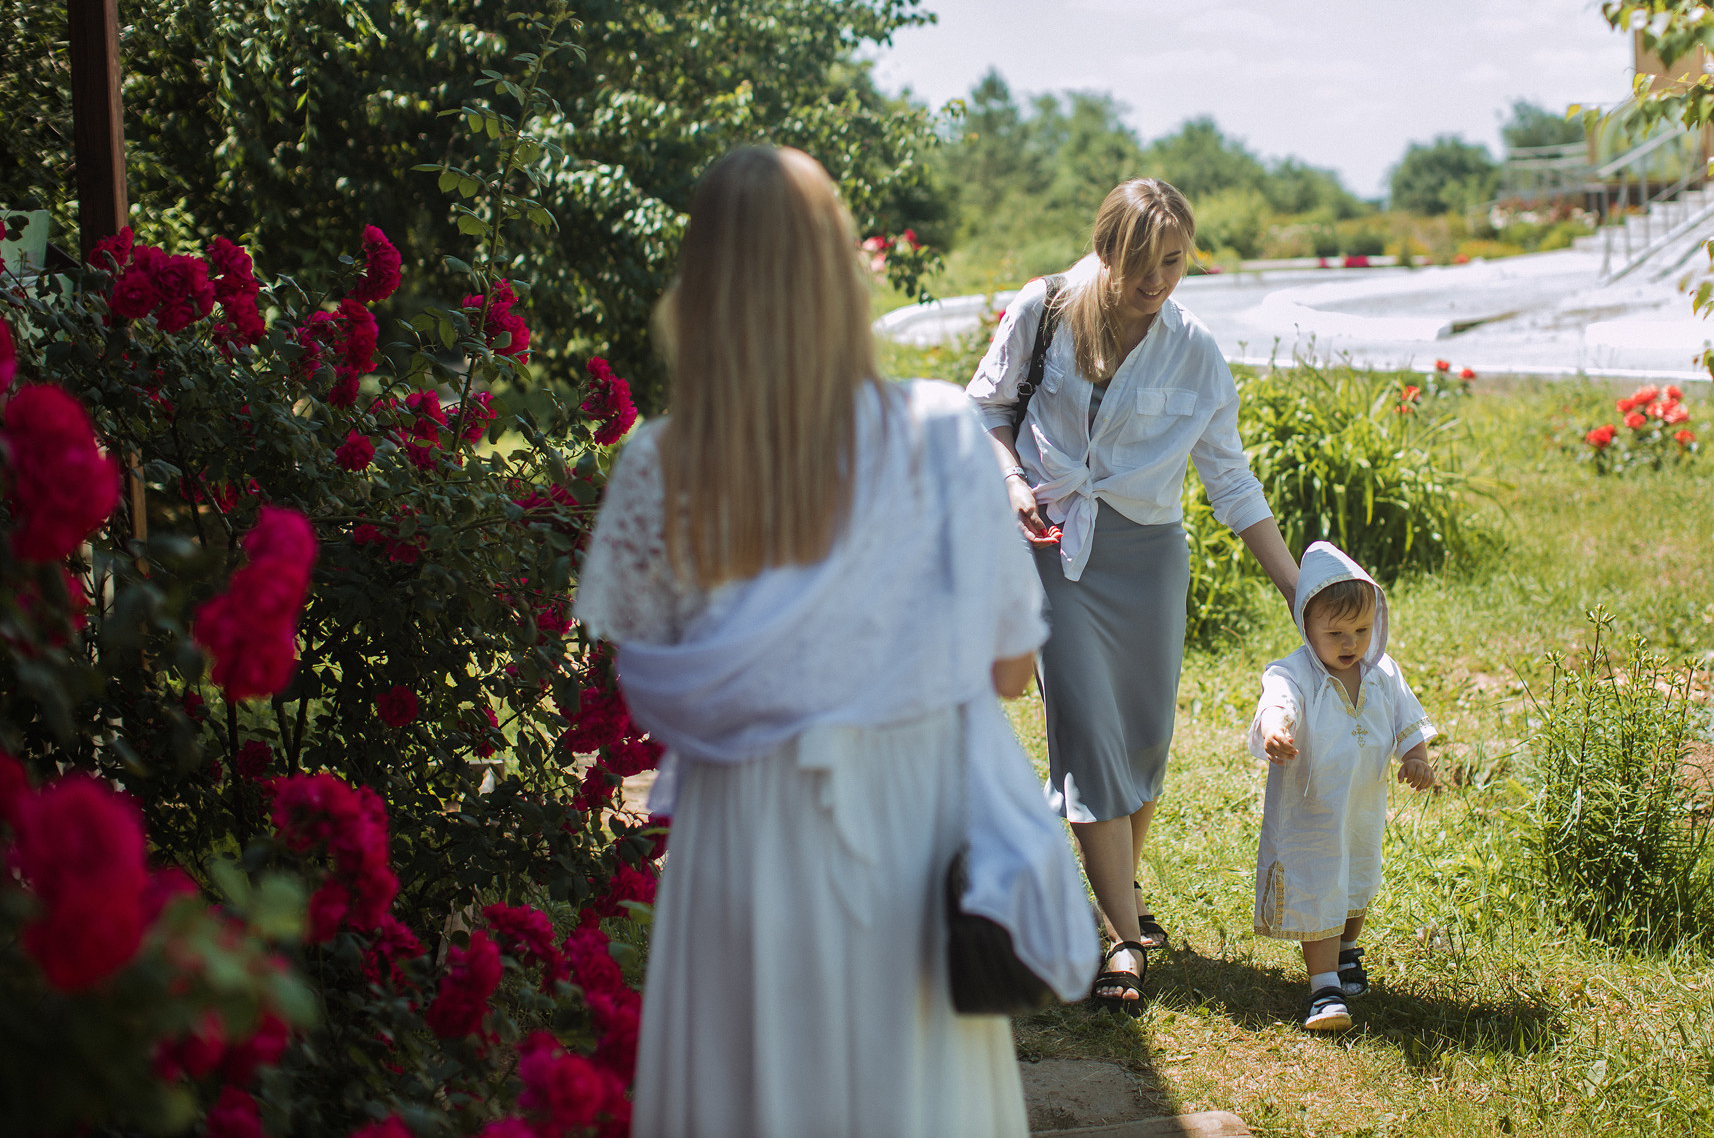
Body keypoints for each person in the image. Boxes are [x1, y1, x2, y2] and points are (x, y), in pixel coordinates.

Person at [573, 145, 1048, 1137]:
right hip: (907, 832)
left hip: (742, 834)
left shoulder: (660, 463)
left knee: (754, 1093)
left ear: (701, 284)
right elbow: (1008, 668)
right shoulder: (942, 436)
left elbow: (647, 677)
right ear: (844, 270)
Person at [968, 178, 1299, 1016]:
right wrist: (1011, 481)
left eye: (1174, 262)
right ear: (1105, 250)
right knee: (1085, 734)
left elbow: (1229, 479)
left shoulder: (1193, 349)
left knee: (1144, 738)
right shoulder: (1044, 308)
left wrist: (1298, 586)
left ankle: (1115, 894)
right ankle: (1120, 935)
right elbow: (988, 408)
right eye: (1139, 263)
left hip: (1149, 556)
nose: (1156, 282)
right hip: (1052, 546)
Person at [1248, 541, 1436, 1034]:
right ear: (1306, 627)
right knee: (1319, 879)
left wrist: (1415, 756)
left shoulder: (1382, 673)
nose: (1350, 642)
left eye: (1361, 630)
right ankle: (1323, 987)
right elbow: (1278, 701)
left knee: (1357, 875)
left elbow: (1406, 721)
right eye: (1335, 632)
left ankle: (1347, 949)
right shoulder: (1294, 672)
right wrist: (1275, 728)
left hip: (1362, 803)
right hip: (1311, 808)